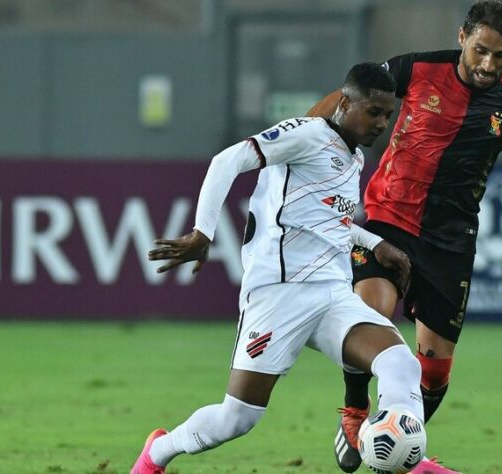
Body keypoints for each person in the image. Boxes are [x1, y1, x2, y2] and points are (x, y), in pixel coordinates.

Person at [308, 1, 502, 473]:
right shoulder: (416, 68)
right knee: (370, 314)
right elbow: (345, 98)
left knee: (433, 371)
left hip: (450, 242)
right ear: (462, 36)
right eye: (481, 50)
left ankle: (393, 447)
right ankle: (355, 412)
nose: (488, 64)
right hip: (387, 218)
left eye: (501, 55)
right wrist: (297, 144)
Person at [130, 62, 425, 474]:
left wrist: (377, 244)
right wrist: (202, 232)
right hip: (278, 293)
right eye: (373, 112)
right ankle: (157, 453)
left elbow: (327, 224)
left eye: (388, 115)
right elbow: (225, 161)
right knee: (236, 420)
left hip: (332, 295)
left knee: (401, 364)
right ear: (344, 103)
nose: (381, 123)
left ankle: (403, 455)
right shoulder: (306, 135)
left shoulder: (353, 157)